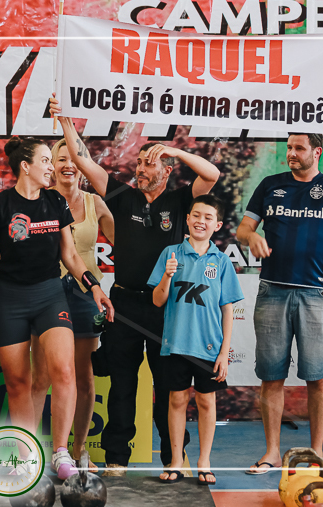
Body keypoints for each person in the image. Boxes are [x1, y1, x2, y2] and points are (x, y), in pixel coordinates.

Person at [50, 96, 220, 475]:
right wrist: (65, 122)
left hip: (165, 307)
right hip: (124, 305)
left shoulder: (180, 200)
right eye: (139, 162)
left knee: (167, 387)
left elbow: (211, 175)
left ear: (167, 170)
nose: (141, 168)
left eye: (150, 163)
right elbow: (83, 161)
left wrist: (175, 150)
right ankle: (116, 458)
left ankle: (173, 457)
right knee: (122, 385)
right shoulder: (121, 195)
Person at [0, 137, 114, 480]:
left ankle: (61, 453)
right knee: (19, 383)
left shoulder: (55, 202)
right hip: (10, 300)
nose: (51, 167)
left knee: (64, 372)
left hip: (50, 295)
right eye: (46, 161)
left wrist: (94, 286)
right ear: (26, 166)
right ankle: (26, 455)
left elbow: (70, 254)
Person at [237, 110, 323, 474]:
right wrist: (251, 236)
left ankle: (316, 454)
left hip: (316, 294)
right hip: (273, 291)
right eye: (289, 147)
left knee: (318, 378)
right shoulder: (270, 184)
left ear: (316, 151)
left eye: (299, 148)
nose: (291, 153)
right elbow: (243, 230)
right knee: (271, 377)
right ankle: (272, 452)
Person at [29, 139, 114, 472]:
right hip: (47, 293)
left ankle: (79, 451)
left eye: (75, 159)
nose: (68, 165)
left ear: (83, 165)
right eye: (61, 159)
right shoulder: (39, 201)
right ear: (51, 165)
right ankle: (31, 452)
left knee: (83, 377)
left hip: (85, 296)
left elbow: (129, 245)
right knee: (42, 378)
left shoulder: (95, 203)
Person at [149, 195, 243, 484]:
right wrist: (167, 277)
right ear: (187, 219)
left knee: (206, 402)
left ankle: (204, 461)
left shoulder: (221, 261)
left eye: (208, 217)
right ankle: (176, 460)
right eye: (196, 215)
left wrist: (224, 352)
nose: (201, 221)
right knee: (176, 400)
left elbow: (228, 309)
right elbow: (157, 300)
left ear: (217, 225)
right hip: (176, 344)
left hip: (209, 347)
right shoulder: (170, 253)